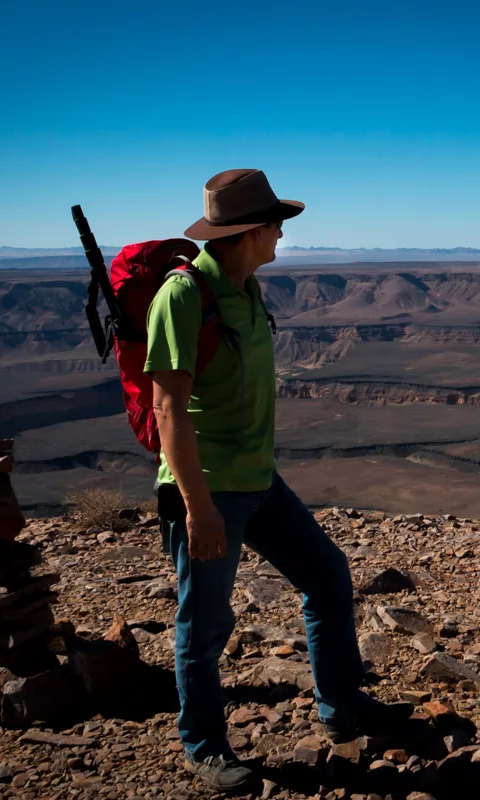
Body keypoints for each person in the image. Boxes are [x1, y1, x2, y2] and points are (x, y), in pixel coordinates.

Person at [144, 169, 411, 793]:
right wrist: (197, 506)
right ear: (248, 232)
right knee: (204, 622)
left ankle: (342, 711)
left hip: (260, 480)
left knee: (326, 575)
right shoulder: (183, 296)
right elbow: (168, 410)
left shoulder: (247, 288)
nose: (283, 234)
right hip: (208, 489)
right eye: (276, 224)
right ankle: (205, 747)